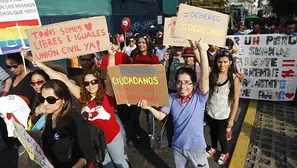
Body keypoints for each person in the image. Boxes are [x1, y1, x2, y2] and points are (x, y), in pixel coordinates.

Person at [33, 51, 129, 168]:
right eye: (87, 83)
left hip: (112, 138)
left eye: (94, 82)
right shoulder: (82, 96)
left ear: (99, 82)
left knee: (120, 164)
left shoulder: (107, 94)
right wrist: (42, 66)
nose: (91, 85)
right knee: (108, 166)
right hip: (96, 141)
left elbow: (110, 73)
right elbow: (64, 80)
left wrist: (112, 55)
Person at [138, 39, 210, 168]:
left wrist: (202, 51)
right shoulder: (171, 97)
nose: (182, 86)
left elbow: (205, 75)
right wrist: (148, 107)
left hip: (197, 149)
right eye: (179, 82)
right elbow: (160, 116)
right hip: (177, 147)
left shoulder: (199, 97)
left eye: (187, 82)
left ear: (194, 84)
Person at [36, 79, 94, 167]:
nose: (45, 104)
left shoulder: (75, 121)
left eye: (50, 100)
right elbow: (47, 135)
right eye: (42, 99)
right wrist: (23, 133)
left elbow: (87, 154)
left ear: (63, 99)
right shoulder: (50, 116)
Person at [205, 50, 241, 165]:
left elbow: (236, 100)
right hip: (210, 111)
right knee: (212, 132)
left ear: (230, 62)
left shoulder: (234, 79)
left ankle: (225, 152)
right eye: (219, 62)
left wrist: (231, 119)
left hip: (224, 114)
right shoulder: (212, 75)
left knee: (221, 135)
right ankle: (213, 147)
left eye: (225, 62)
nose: (222, 64)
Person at [130, 34, 160, 142]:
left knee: (149, 114)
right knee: (134, 115)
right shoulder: (134, 57)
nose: (141, 45)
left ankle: (151, 134)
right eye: (139, 42)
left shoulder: (154, 58)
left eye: (143, 42)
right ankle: (137, 132)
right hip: (136, 90)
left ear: (148, 43)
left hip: (149, 91)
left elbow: (157, 76)